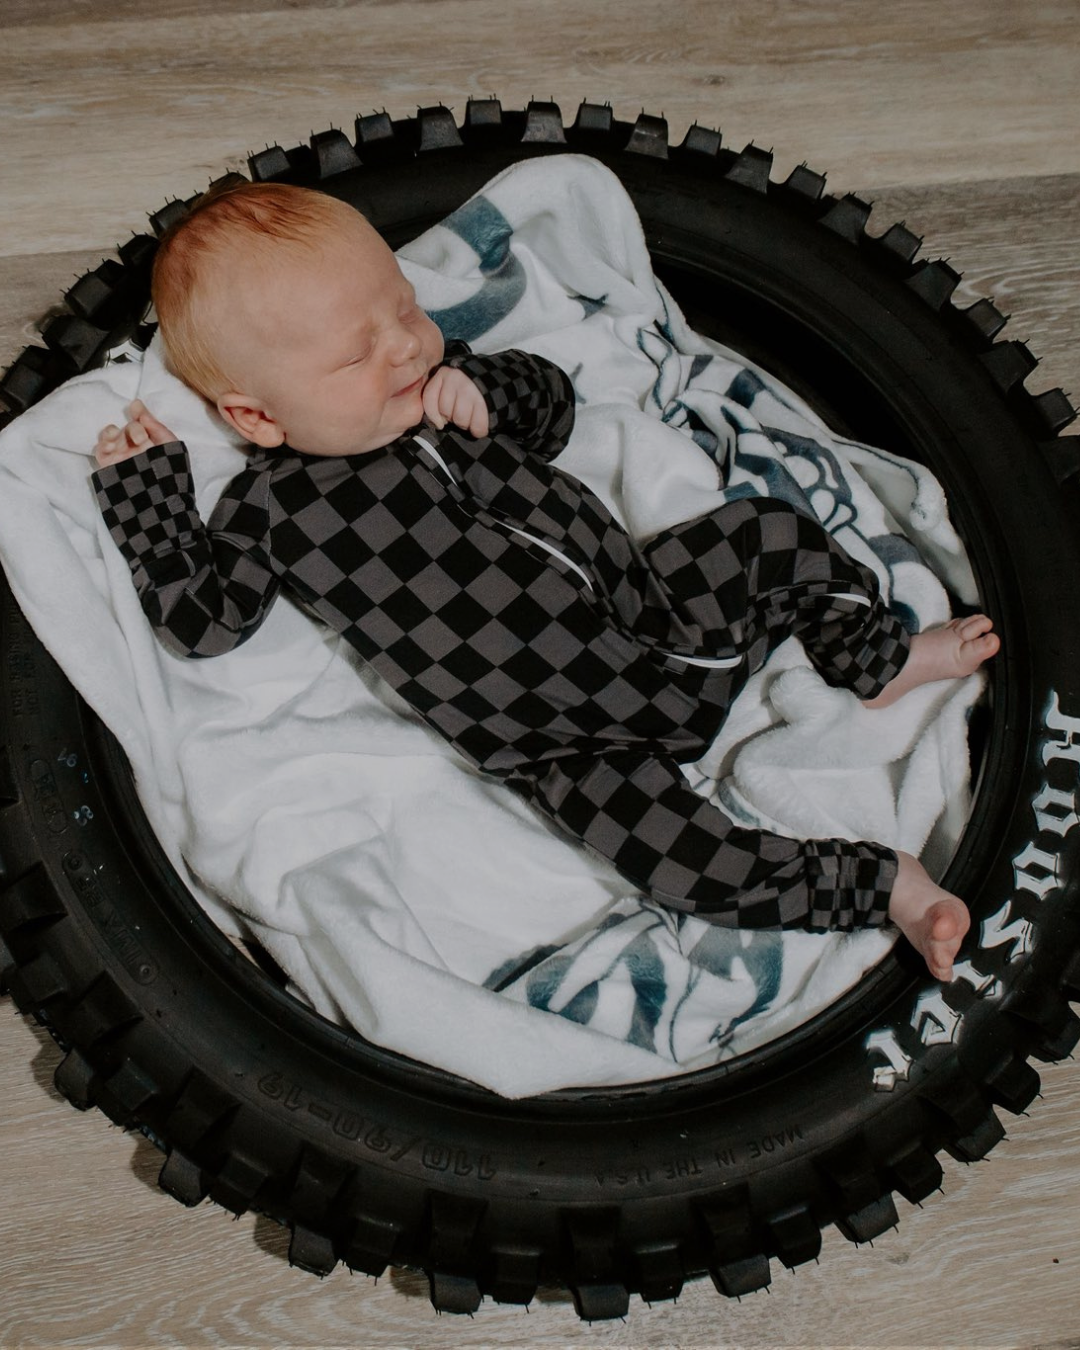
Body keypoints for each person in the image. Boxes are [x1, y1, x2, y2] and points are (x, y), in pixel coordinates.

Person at [92, 181, 999, 982]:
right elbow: (202, 622)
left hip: (660, 606)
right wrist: (150, 499)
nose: (406, 347)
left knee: (767, 531)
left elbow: (558, 407)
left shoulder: (442, 392)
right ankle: (881, 887)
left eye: (403, 308)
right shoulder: (270, 511)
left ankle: (876, 658)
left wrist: (493, 392)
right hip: (567, 742)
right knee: (686, 865)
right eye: (357, 353)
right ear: (257, 417)